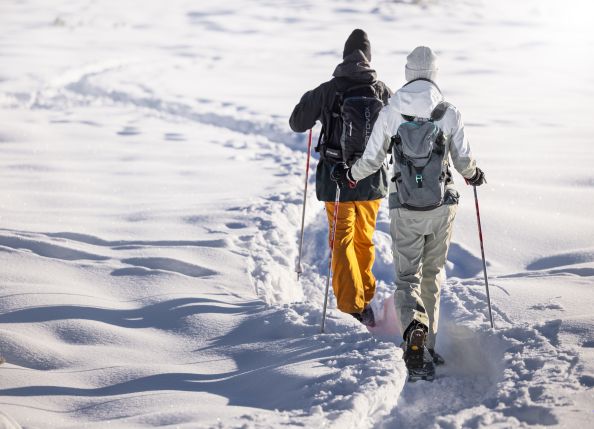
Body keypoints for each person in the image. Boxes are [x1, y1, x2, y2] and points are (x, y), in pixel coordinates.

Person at [331, 46, 486, 375]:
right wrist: (474, 174)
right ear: (434, 74)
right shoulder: (448, 111)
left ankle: (412, 332)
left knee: (406, 280)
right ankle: (427, 346)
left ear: (407, 73)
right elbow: (462, 161)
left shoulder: (391, 111)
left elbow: (372, 159)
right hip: (442, 206)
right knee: (432, 277)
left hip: (404, 207)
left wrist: (350, 176)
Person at [289, 29, 392, 326]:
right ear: (369, 58)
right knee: (364, 238)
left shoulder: (328, 89)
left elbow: (298, 123)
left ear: (344, 55)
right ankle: (365, 296)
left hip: (337, 179)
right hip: (372, 179)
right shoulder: (382, 90)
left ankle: (351, 305)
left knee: (342, 239)